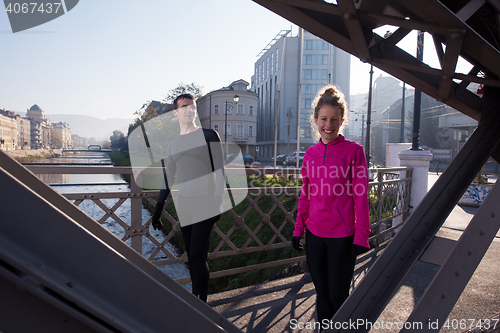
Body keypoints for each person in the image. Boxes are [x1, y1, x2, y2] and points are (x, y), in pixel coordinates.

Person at [291, 85, 371, 325]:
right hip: (315, 236)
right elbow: (306, 195)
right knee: (322, 295)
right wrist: (298, 228)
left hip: (342, 237)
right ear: (315, 120)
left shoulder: (354, 151)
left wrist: (362, 235)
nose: (328, 124)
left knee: (338, 297)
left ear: (342, 121)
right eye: (324, 119)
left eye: (334, 119)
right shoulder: (310, 155)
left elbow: (360, 195)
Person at [151, 93, 224, 303]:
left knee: (197, 255)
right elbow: (169, 176)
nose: (188, 110)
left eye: (191, 107)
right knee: (191, 256)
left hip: (205, 204)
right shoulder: (173, 144)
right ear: (176, 112)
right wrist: (158, 208)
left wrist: (217, 202)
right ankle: (195, 296)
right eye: (183, 107)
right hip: (184, 205)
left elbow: (220, 172)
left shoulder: (210, 136)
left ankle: (202, 304)